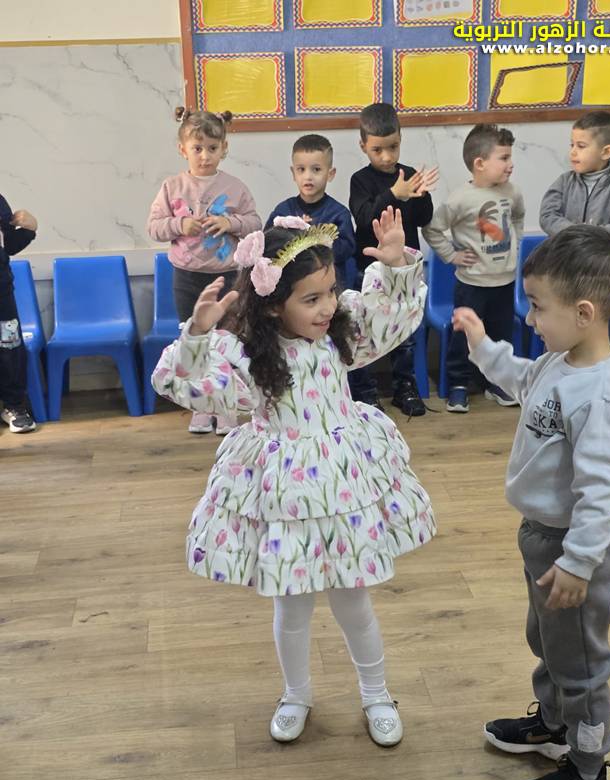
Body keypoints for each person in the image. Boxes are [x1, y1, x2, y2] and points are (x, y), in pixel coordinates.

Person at [152, 207, 435, 746]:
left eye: (330, 291)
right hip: (284, 492)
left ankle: (376, 693)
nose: (328, 306)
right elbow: (182, 385)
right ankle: (296, 694)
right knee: (292, 606)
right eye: (311, 298)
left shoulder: (340, 333)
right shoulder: (248, 356)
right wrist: (198, 333)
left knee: (354, 601)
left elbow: (391, 320)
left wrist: (397, 266)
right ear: (271, 303)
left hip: (344, 483)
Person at [452, 225, 610, 780]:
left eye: (538, 307)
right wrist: (483, 346)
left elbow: (601, 491)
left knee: (580, 663)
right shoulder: (560, 362)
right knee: (549, 641)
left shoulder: (602, 396)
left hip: (574, 548)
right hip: (543, 538)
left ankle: (588, 771)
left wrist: (579, 562)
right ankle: (557, 725)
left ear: (584, 313)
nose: (529, 318)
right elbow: (521, 378)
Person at [147, 107, 261, 435]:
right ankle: (199, 406)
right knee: (194, 338)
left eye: (212, 148)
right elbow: (154, 227)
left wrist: (230, 222)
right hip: (186, 277)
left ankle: (226, 407)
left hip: (227, 276)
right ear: (183, 149)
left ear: (224, 148)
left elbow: (255, 223)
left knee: (227, 340)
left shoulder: (235, 187)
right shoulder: (171, 187)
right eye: (197, 148)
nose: (205, 155)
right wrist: (179, 224)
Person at [423, 124, 524, 413]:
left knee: (500, 335)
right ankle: (459, 384)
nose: (510, 164)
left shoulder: (512, 192)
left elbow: (518, 217)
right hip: (471, 284)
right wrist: (451, 255)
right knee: (463, 335)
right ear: (480, 164)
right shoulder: (460, 199)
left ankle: (496, 383)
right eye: (503, 158)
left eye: (510, 157)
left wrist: (516, 244)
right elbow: (432, 229)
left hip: (505, 283)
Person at [348, 103, 438, 415]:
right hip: (369, 271)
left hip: (405, 270)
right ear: (363, 146)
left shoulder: (409, 175)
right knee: (365, 330)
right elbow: (364, 218)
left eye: (393, 147)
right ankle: (366, 392)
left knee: (406, 332)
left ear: (401, 139)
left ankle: (405, 387)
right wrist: (394, 195)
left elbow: (424, 219)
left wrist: (422, 196)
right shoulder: (359, 180)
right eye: (377, 150)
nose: (386, 157)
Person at [265, 134, 355, 286]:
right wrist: (293, 233)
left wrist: (314, 238)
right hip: (292, 287)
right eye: (301, 169)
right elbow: (268, 246)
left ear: (330, 174)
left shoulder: (339, 214)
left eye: (316, 169)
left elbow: (347, 250)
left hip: (328, 286)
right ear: (293, 173)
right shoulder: (283, 211)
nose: (308, 176)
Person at [539, 110, 610, 243]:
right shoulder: (563, 182)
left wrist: (589, 236)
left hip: (600, 254)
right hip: (563, 252)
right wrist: (575, 232)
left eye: (581, 146)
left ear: (606, 152)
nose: (572, 152)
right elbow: (547, 216)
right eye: (572, 145)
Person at [0, 195, 38, 434]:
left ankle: (14, 406)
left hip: (2, 292)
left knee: (10, 348)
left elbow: (9, 245)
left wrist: (29, 228)